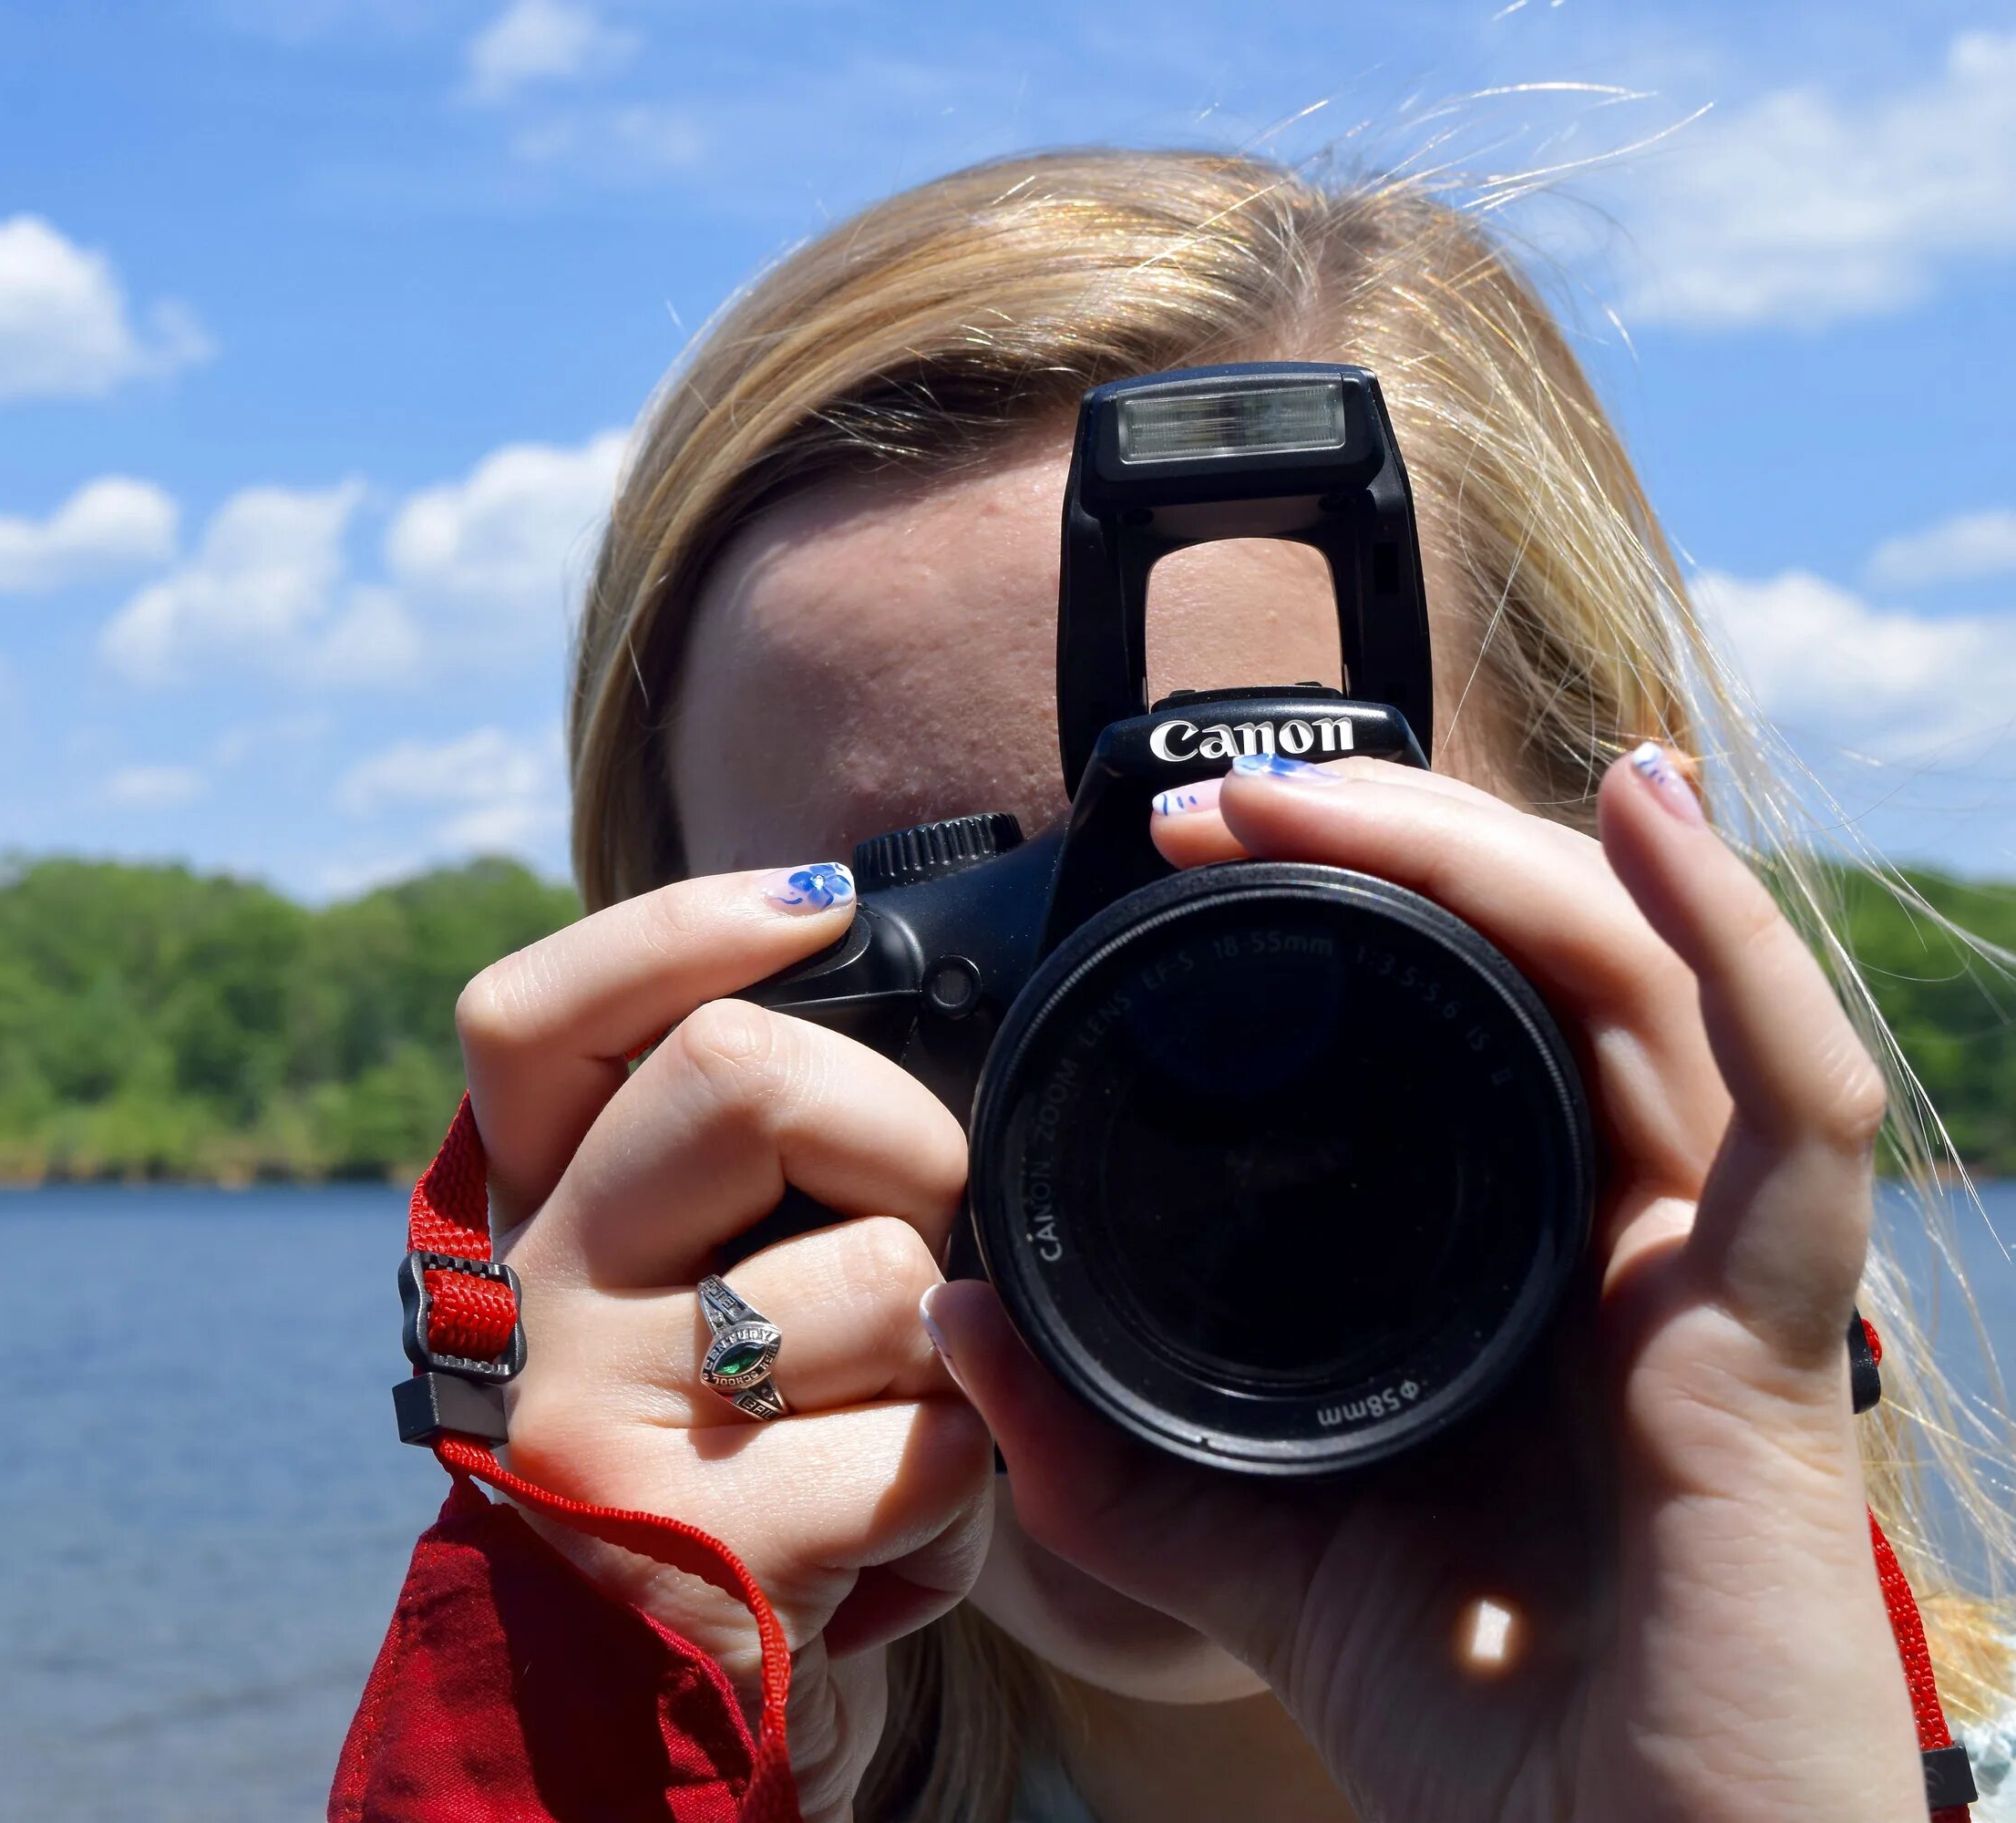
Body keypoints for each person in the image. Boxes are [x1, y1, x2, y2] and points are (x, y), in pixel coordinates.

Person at [329, 149, 2014, 1823]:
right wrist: (593, 1712)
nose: (1158, 1125)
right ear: (651, 1052)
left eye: (1275, 926)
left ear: (1659, 915)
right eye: (941, 962)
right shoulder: (626, 1752)